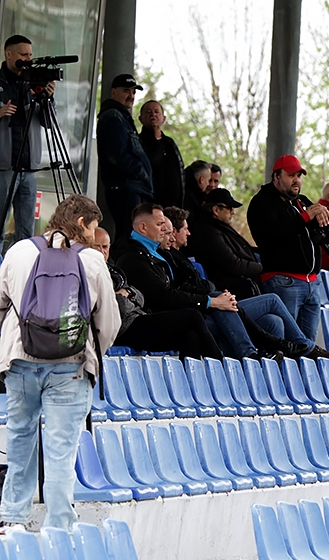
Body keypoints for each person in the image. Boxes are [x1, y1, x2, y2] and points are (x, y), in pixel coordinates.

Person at [0, 195, 119, 533]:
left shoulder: (19, 252)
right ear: (82, 223)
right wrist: (94, 353)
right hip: (71, 366)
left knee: (20, 437)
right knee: (61, 448)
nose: (96, 237)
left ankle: (13, 520)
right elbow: (107, 322)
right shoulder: (93, 262)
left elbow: (0, 302)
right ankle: (59, 526)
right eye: (94, 228)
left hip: (20, 360)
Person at [161, 205, 329, 366]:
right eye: (183, 229)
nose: (189, 232)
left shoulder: (181, 257)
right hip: (206, 312)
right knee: (272, 300)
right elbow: (179, 290)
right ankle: (303, 349)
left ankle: (273, 374)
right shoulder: (170, 257)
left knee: (273, 321)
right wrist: (214, 297)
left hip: (214, 305)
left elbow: (200, 285)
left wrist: (215, 294)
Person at [96, 227, 223, 360]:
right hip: (122, 329)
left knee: (188, 337)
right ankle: (220, 368)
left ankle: (196, 379)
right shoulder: (93, 272)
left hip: (138, 319)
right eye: (96, 246)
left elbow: (139, 297)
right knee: (193, 316)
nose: (101, 251)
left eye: (105, 246)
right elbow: (115, 307)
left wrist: (126, 293)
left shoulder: (114, 271)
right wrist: (124, 297)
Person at [247, 154, 329, 342]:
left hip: (312, 282)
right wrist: (305, 217)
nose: (297, 180)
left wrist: (324, 215)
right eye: (291, 175)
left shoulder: (300, 201)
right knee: (287, 343)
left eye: (299, 176)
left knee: (307, 345)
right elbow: (273, 233)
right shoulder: (262, 202)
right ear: (276, 177)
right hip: (284, 281)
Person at [0, 35, 54, 243]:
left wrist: (48, 98)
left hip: (28, 170)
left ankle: (23, 272)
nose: (28, 59)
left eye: (30, 55)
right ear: (8, 54)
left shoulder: (33, 83)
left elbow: (48, 123)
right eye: (23, 55)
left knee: (26, 232)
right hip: (4, 168)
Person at [96, 74, 153, 240]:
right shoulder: (114, 116)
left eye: (134, 92)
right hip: (126, 189)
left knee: (133, 236)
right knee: (129, 237)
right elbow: (116, 155)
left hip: (131, 189)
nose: (131, 96)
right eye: (126, 91)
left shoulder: (121, 117)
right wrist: (141, 172)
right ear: (114, 92)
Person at [187, 188, 262, 300]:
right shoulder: (209, 232)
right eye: (229, 208)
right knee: (274, 301)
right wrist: (264, 267)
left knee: (274, 317)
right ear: (216, 210)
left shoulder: (220, 228)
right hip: (232, 294)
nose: (233, 212)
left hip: (241, 289)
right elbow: (234, 264)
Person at [138, 100, 184, 208]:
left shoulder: (170, 143)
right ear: (140, 119)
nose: (153, 114)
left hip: (172, 205)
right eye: (148, 112)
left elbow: (179, 172)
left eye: (156, 112)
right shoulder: (138, 143)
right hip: (149, 203)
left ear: (164, 118)